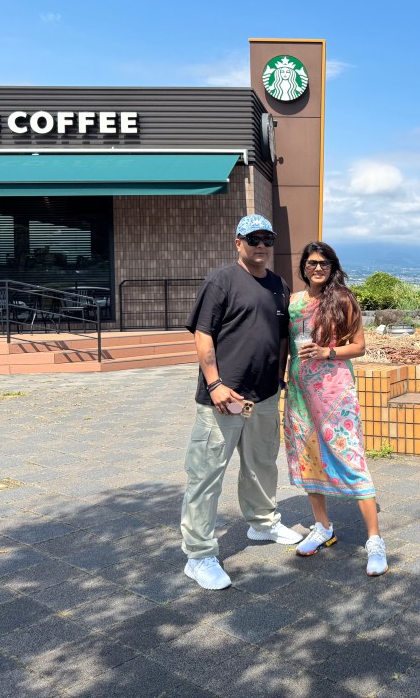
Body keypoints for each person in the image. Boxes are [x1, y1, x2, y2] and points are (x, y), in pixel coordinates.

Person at [180, 214, 304, 590]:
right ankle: (198, 555)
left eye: (267, 239)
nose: (261, 245)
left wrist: (279, 379)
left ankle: (262, 523)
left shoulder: (278, 285)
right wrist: (215, 383)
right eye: (254, 239)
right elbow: (203, 334)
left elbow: (281, 338)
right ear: (238, 243)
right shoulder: (222, 280)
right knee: (206, 475)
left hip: (264, 396)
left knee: (261, 464)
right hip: (225, 398)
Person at [283, 241, 387, 576]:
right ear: (303, 266)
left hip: (334, 393)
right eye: (312, 263)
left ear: (332, 267)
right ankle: (323, 526)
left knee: (350, 457)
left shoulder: (342, 299)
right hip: (299, 392)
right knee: (309, 455)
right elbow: (287, 345)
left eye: (324, 263)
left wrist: (327, 352)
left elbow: (359, 346)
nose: (318, 268)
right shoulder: (294, 302)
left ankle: (374, 540)